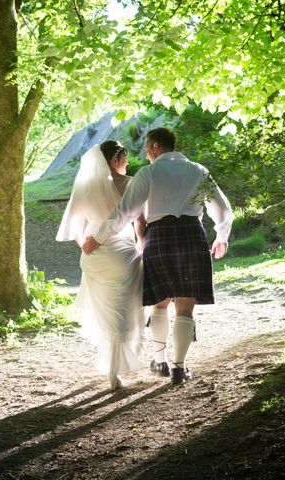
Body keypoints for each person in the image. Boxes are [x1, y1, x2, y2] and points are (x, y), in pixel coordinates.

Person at [82, 127, 233, 385]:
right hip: (191, 235)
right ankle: (179, 368)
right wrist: (222, 236)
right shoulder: (199, 171)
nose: (146, 155)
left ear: (154, 147)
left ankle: (160, 360)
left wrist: (98, 237)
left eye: (147, 150)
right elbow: (222, 208)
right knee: (185, 306)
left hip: (159, 236)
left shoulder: (148, 173)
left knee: (160, 301)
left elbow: (125, 212)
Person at [56, 141, 146, 391]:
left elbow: (74, 228)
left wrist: (85, 245)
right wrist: (141, 246)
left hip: (94, 256)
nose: (127, 162)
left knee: (104, 310)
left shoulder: (84, 187)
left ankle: (111, 365)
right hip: (122, 253)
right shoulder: (130, 184)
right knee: (123, 309)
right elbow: (140, 222)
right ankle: (115, 369)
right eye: (125, 157)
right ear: (117, 159)